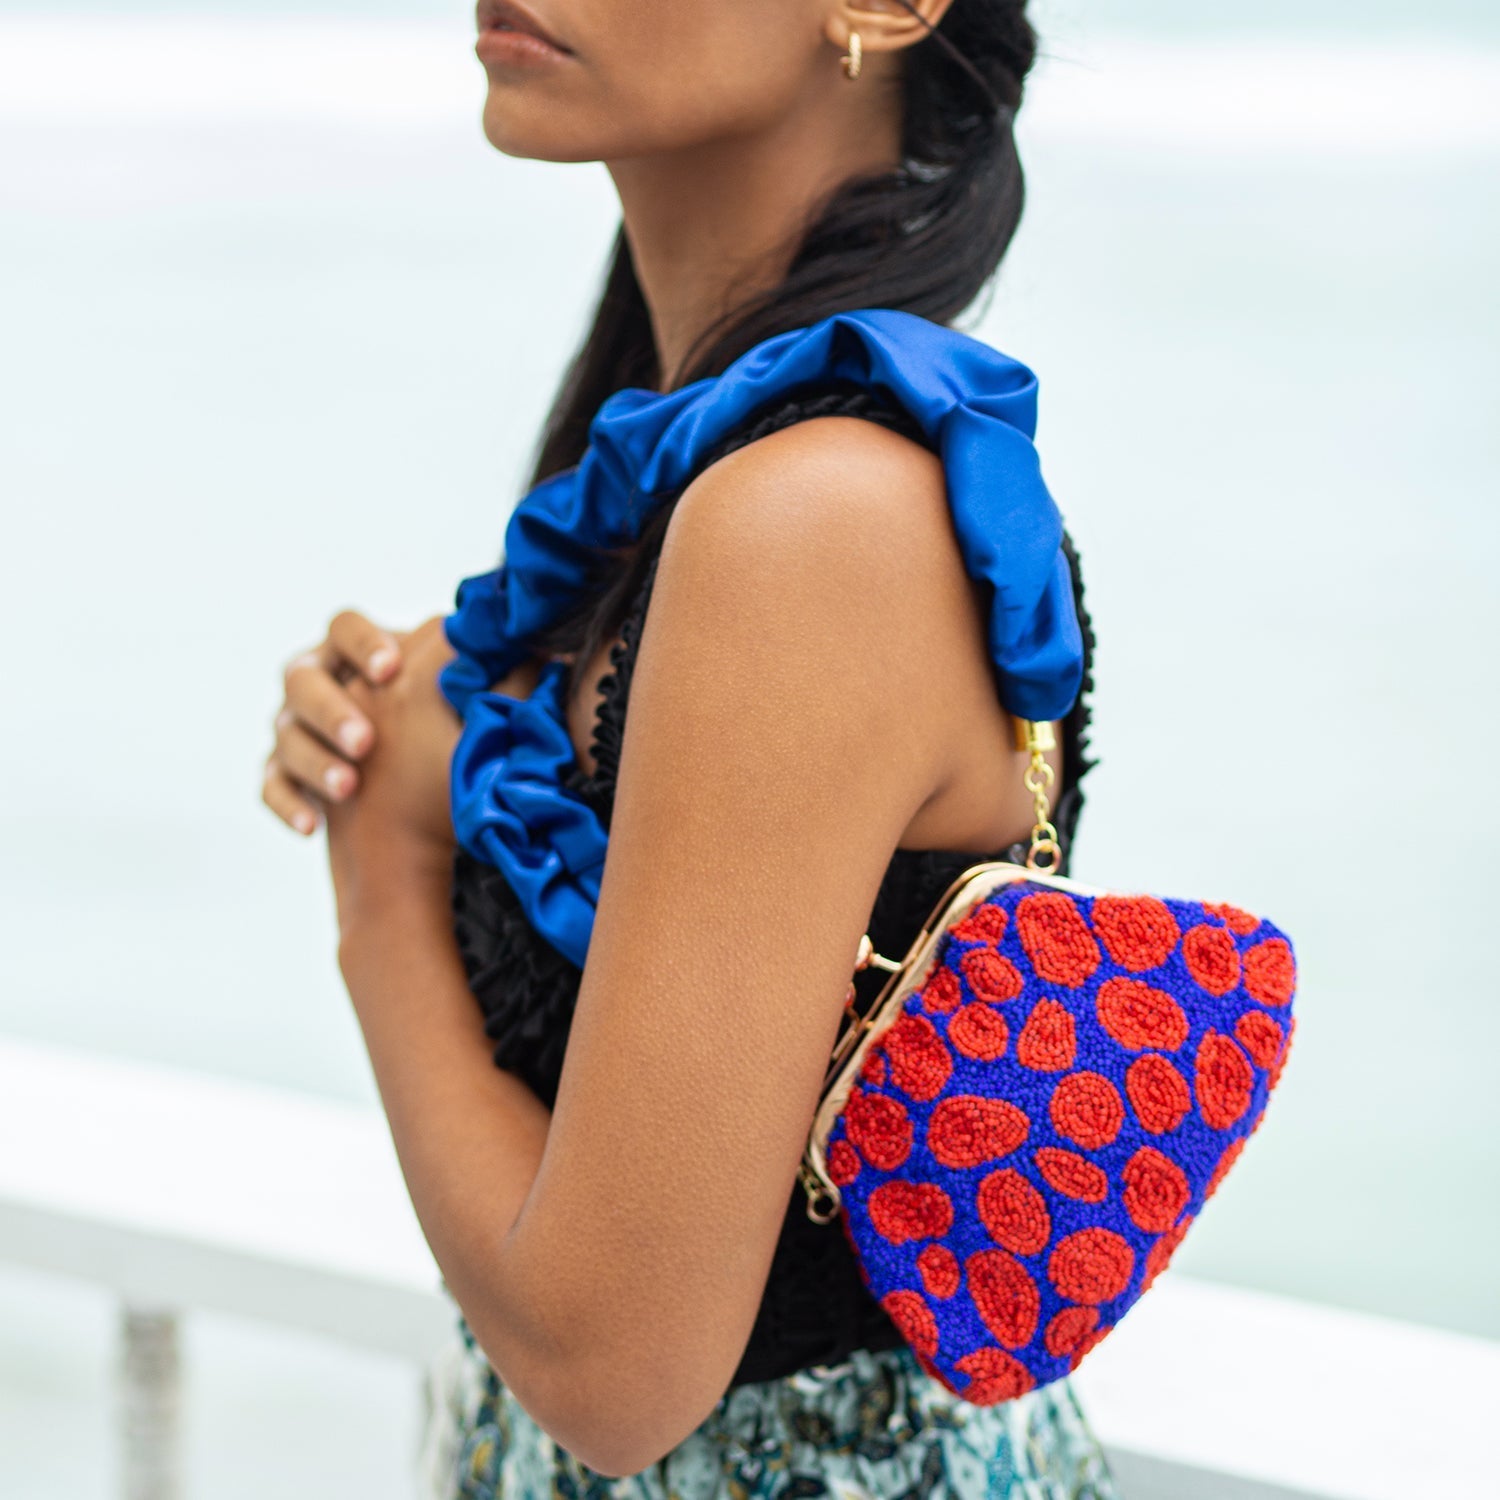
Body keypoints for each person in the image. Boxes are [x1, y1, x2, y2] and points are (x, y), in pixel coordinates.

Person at [261, 0, 1120, 1494]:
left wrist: (385, 866)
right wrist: (426, 730)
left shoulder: (815, 522)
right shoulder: (689, 482)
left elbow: (612, 1371)